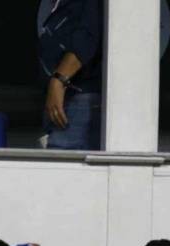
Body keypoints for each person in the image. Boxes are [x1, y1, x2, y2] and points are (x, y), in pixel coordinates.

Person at [38, 0, 103, 150]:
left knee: (64, 167)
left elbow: (87, 36)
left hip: (79, 103)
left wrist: (59, 80)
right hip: (66, 104)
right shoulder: (58, 6)